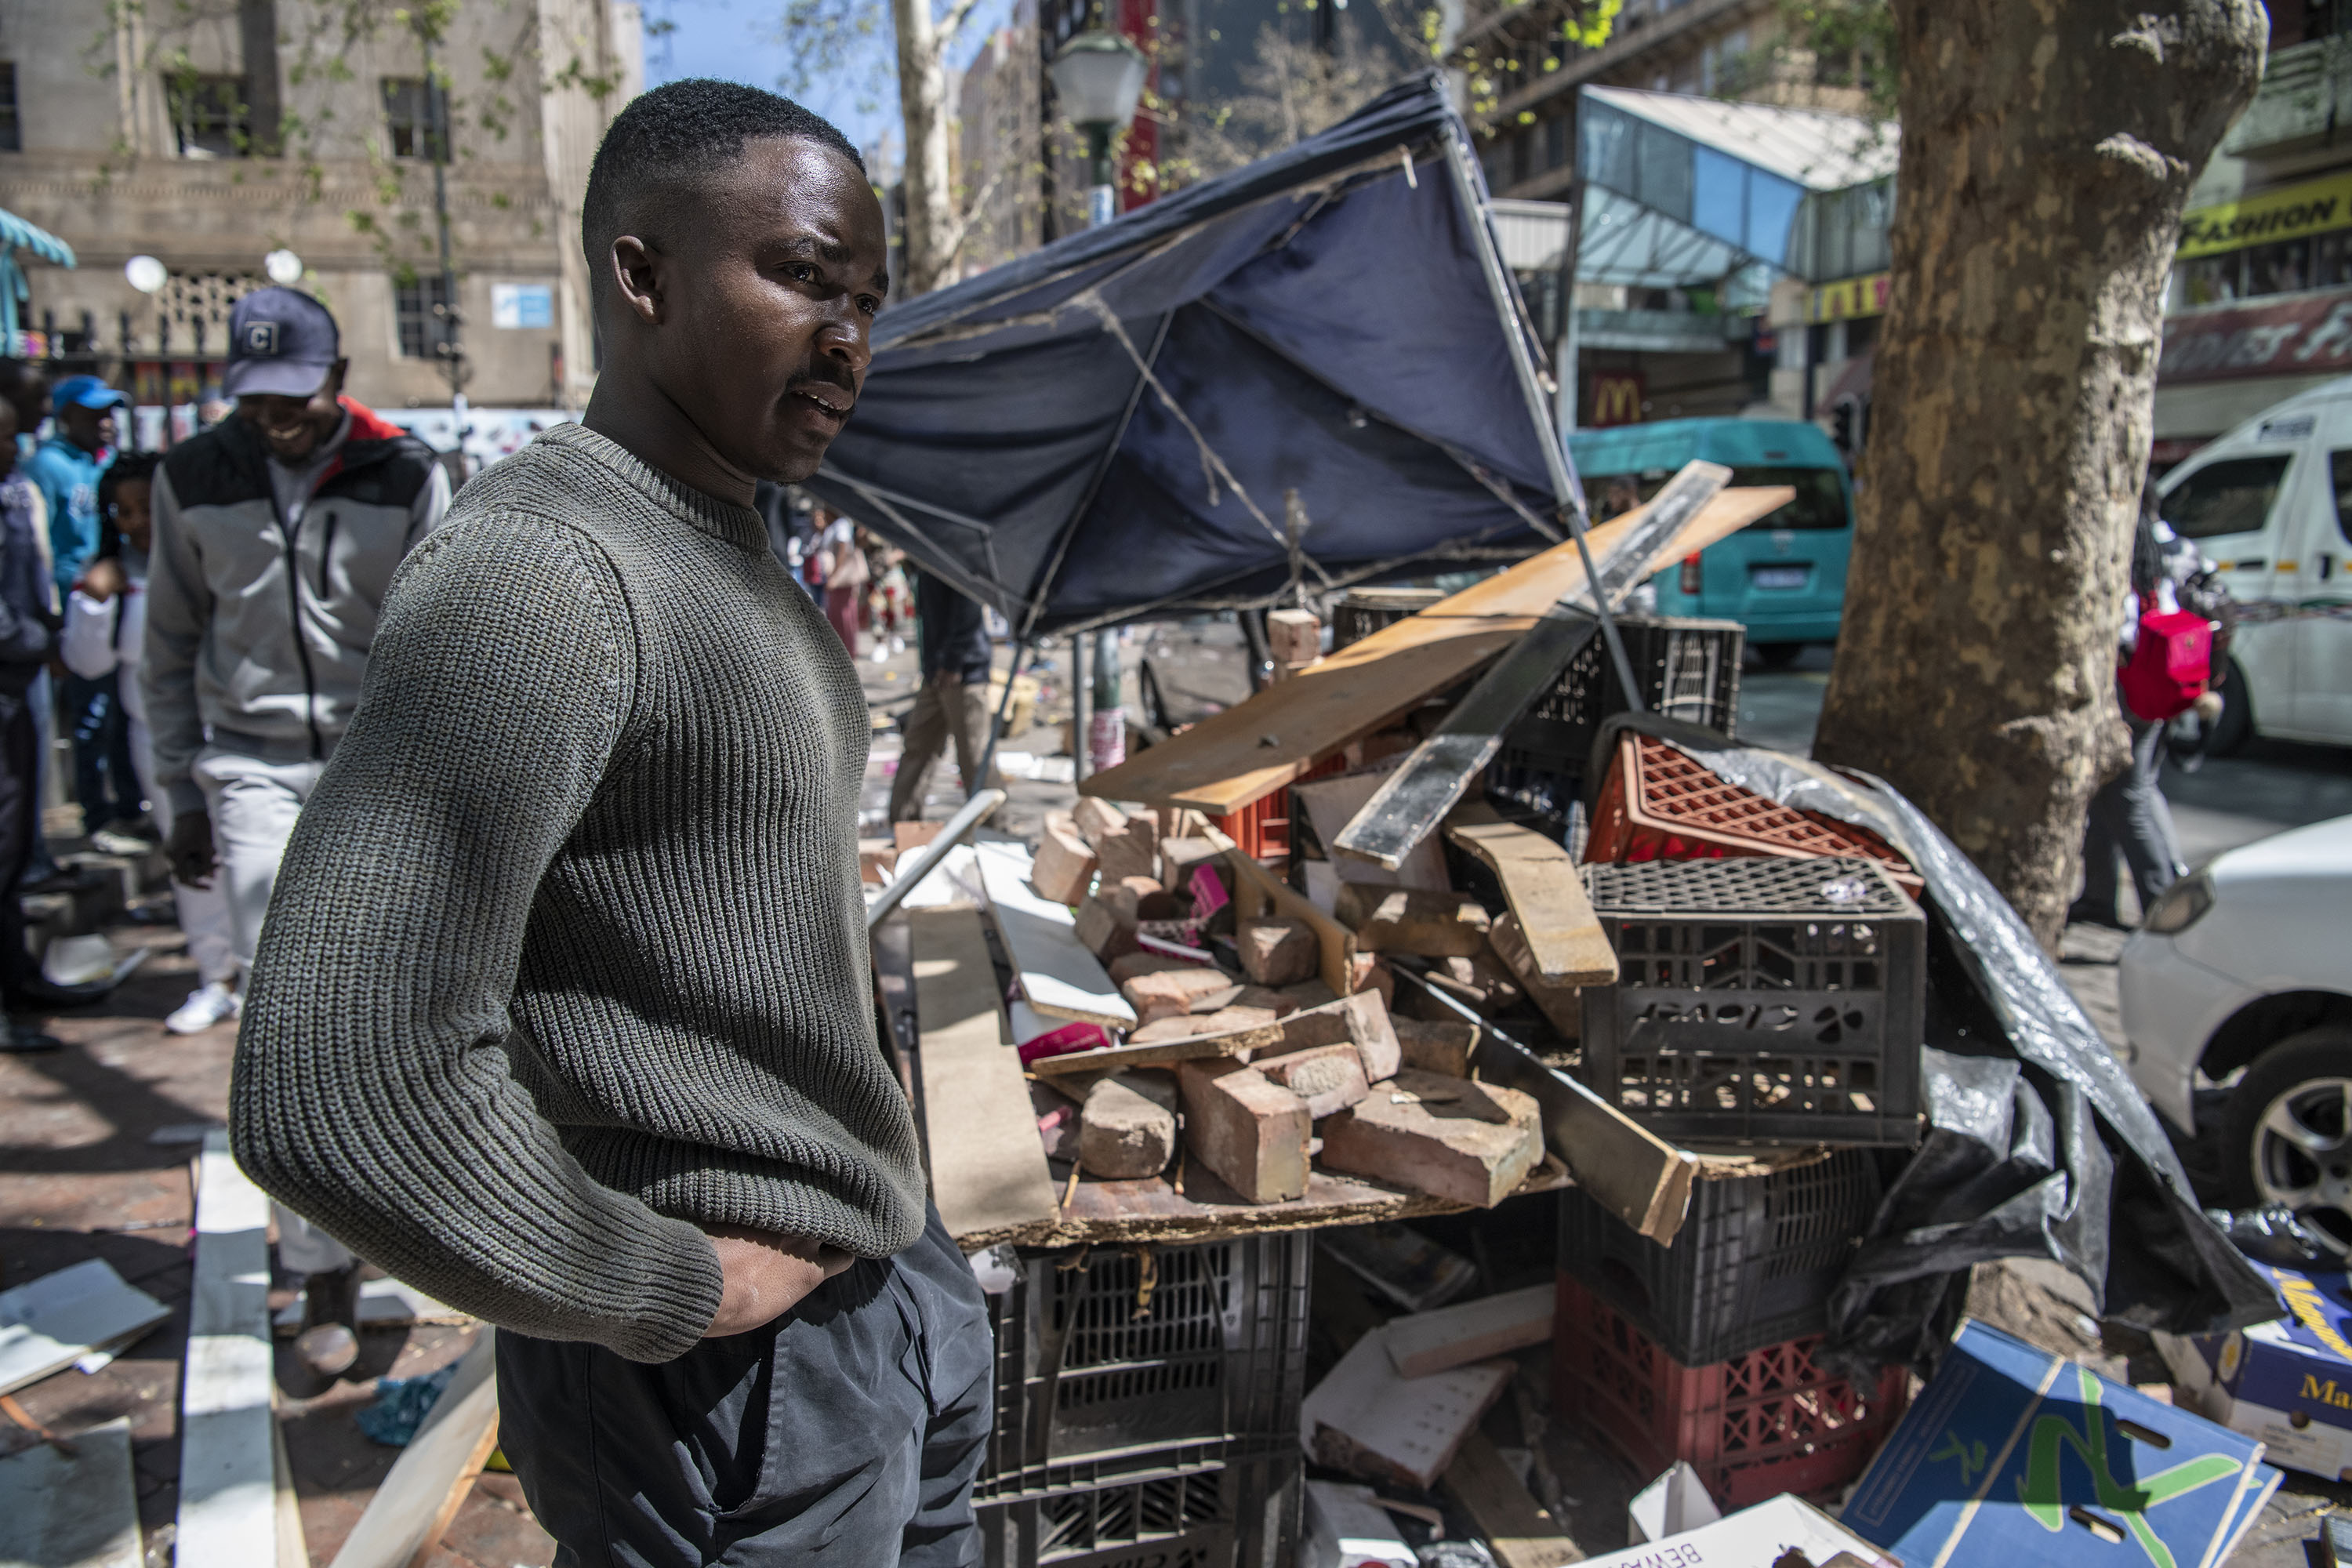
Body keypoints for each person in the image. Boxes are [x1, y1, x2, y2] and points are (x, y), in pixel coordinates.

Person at [231, 79, 989, 1566]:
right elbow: (337, 1083)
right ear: (641, 275)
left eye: (868, 299)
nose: (848, 338)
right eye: (800, 276)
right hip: (718, 1383)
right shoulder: (544, 572)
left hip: (882, 1308)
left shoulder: (739, 563)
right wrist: (668, 1287)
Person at [143, 285, 452, 1370]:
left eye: (294, 397)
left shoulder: (410, 474)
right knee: (283, 1010)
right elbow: (168, 645)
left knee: (391, 1005)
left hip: (380, 765)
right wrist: (180, 795)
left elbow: (447, 637)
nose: (274, 420)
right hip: (252, 766)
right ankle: (317, 1258)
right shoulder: (192, 477)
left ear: (337, 379)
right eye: (255, 399)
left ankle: (402, 1215)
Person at [64, 456, 239, 1033]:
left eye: (147, 507)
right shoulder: (115, 573)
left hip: (232, 728)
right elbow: (87, 662)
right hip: (159, 737)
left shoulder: (212, 559)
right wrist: (93, 601)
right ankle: (214, 976)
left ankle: (260, 976)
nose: (139, 522)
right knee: (190, 857)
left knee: (252, 857)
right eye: (125, 511)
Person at [2071, 482, 2203, 930]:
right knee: (2109, 791)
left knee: (2130, 796)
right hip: (2152, 690)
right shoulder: (2157, 552)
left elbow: (2124, 632)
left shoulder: (2124, 551)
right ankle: (2098, 897)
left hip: (2128, 693)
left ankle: (2163, 902)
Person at [27, 376, 140, 837]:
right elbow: (40, 549)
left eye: (110, 413)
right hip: (78, 608)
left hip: (119, 600)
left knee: (124, 714)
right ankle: (94, 816)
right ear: (66, 415)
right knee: (89, 717)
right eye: (94, 413)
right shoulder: (48, 466)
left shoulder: (109, 463)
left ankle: (130, 809)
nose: (106, 423)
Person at [0, 399, 60, 1050]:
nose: (14, 446)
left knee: (13, 846)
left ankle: (19, 982)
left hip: (16, 686)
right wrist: (34, 635)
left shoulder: (14, 495)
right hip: (12, 668)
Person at [888, 566, 996, 823]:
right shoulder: (925, 556)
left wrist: (953, 662)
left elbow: (968, 608)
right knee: (918, 745)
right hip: (936, 670)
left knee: (974, 755)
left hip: (961, 671)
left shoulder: (950, 553)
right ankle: (903, 823)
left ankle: (993, 828)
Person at [816, 506, 867, 651]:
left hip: (842, 581)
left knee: (844, 619)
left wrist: (835, 576)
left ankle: (848, 653)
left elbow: (844, 548)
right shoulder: (834, 526)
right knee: (837, 617)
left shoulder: (841, 524)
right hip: (836, 580)